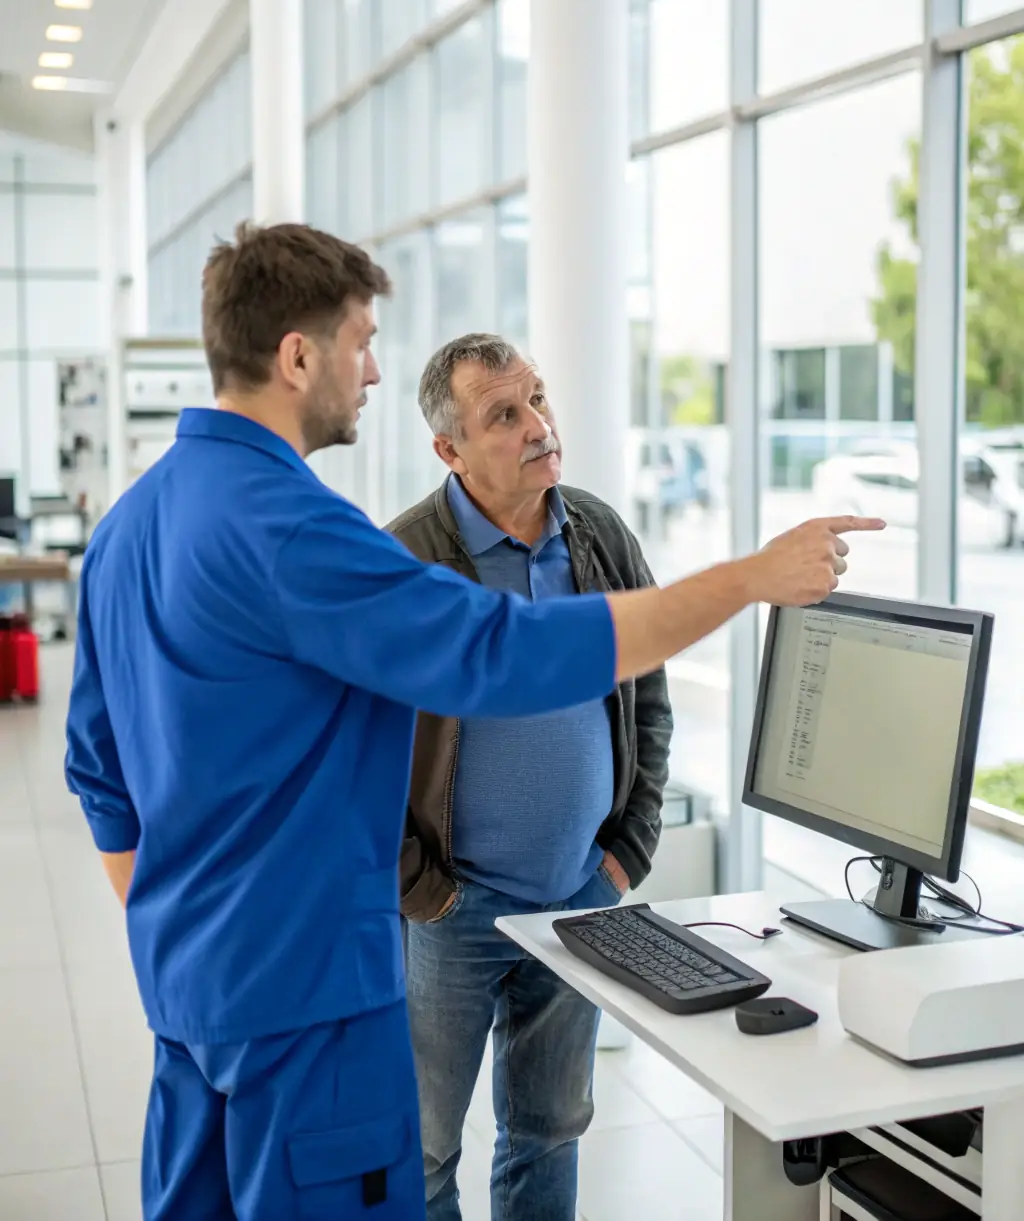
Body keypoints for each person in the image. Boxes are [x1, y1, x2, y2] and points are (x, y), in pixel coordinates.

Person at [63, 222, 881, 1221]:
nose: (369, 373)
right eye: (360, 341)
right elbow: (505, 654)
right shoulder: (296, 530)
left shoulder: (130, 524)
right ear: (296, 355)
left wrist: (193, 942)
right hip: (308, 1005)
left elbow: (98, 776)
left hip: (192, 995)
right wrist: (750, 578)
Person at [386, 333, 672, 1221]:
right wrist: (417, 885)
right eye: (504, 414)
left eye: (538, 399)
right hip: (451, 908)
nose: (539, 425)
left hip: (577, 895)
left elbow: (650, 692)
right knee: (423, 1145)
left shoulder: (596, 532)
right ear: (450, 449)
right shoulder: (405, 560)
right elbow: (354, 753)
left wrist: (626, 849)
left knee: (549, 1129)